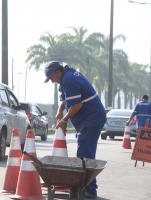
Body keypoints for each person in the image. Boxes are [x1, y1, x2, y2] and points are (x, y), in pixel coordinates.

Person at [44, 61, 106, 199]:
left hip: (92, 119)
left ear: (57, 72)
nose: (51, 81)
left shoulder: (69, 80)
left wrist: (64, 120)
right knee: (84, 152)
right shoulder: (66, 78)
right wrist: (60, 112)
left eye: (51, 77)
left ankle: (89, 190)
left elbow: (76, 105)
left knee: (85, 153)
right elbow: (65, 100)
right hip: (87, 120)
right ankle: (85, 187)